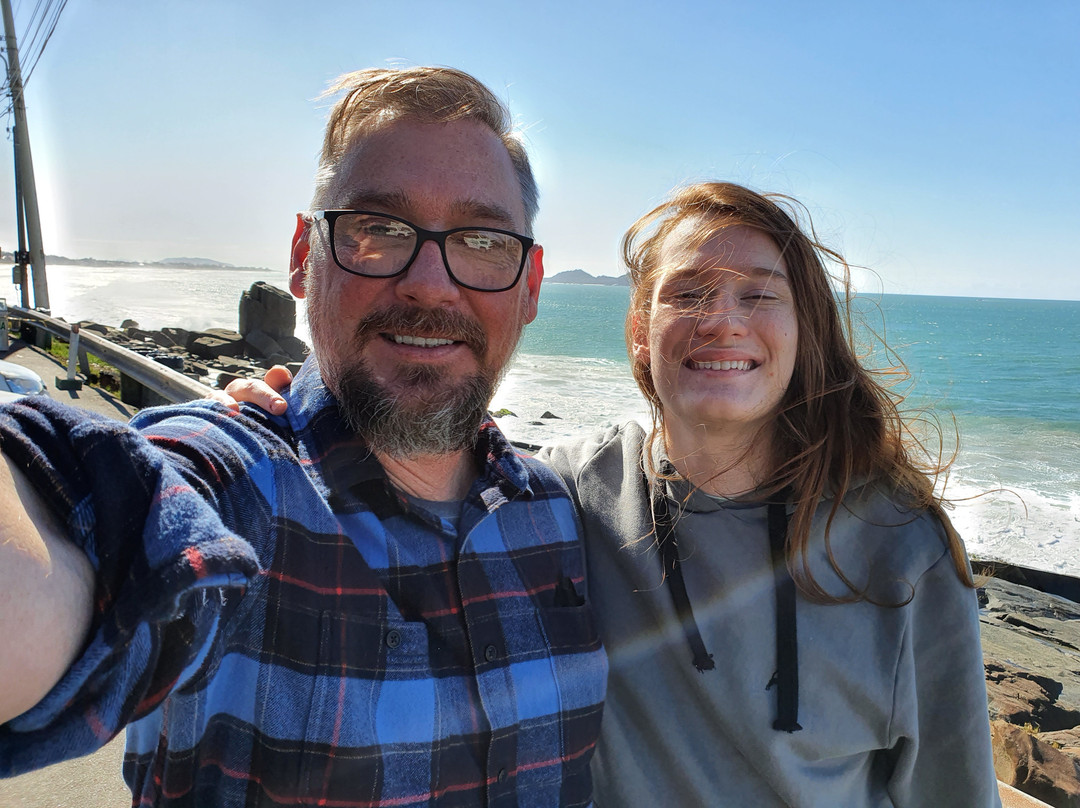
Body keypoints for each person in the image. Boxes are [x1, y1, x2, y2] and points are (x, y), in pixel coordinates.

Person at [231, 181, 1001, 806]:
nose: (723, 322)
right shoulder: (561, 494)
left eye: (760, 297)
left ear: (806, 333)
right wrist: (290, 414)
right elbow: (417, 459)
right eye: (689, 294)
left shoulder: (901, 549)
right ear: (639, 328)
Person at [0, 66, 606, 807]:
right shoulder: (243, 486)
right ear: (301, 256)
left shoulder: (556, 513)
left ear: (532, 285)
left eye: (481, 240)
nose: (431, 283)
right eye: (378, 228)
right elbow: (109, 515)